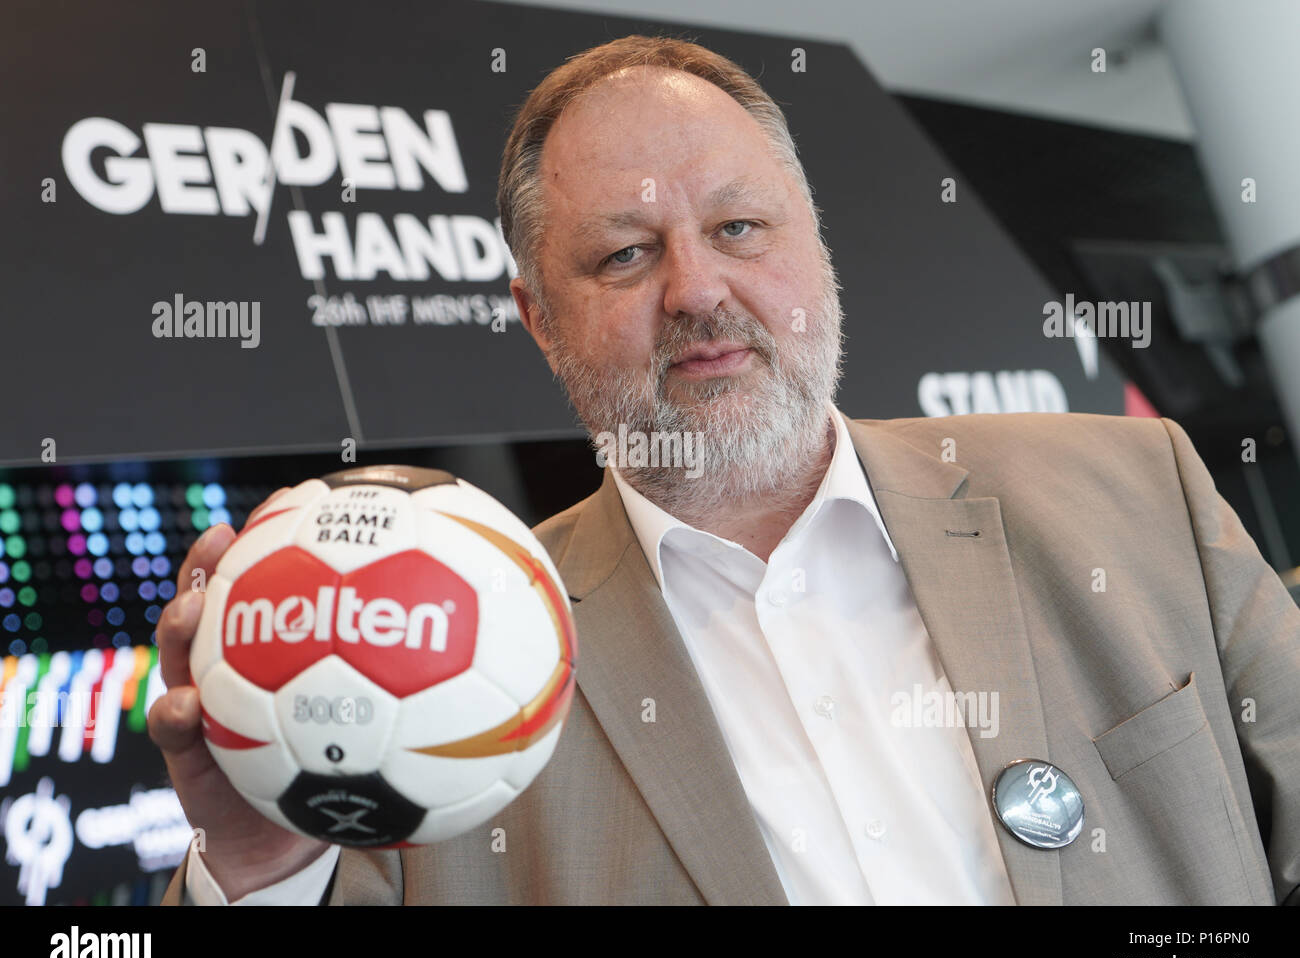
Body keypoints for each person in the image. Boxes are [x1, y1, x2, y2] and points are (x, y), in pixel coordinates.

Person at [151, 35, 1300, 905]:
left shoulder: (1135, 486)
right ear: (538, 318)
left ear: (817, 246)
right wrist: (253, 859)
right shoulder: (435, 663)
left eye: (740, 228)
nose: (696, 290)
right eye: (625, 253)